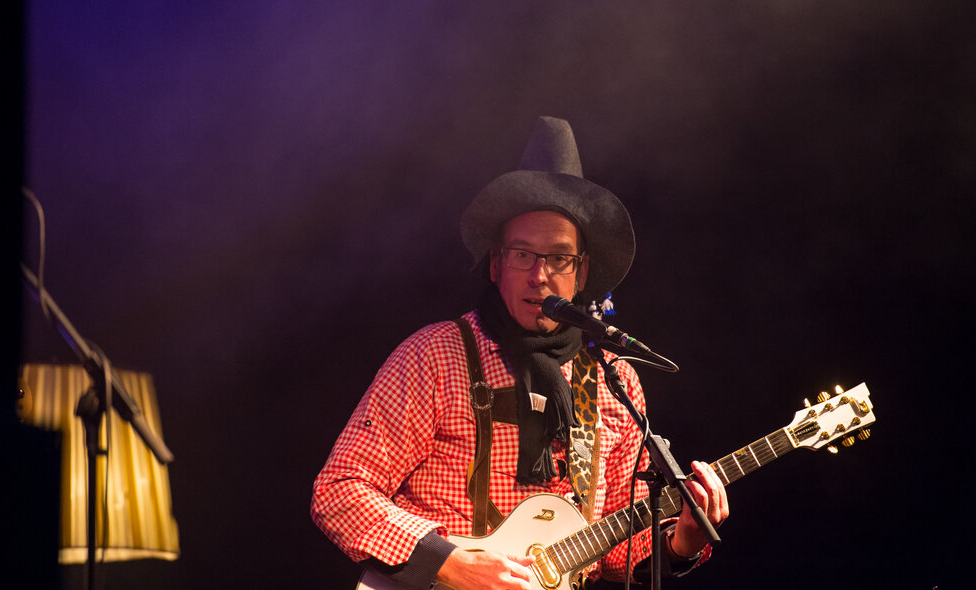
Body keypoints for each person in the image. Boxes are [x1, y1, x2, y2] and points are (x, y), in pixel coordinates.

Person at [311, 116, 728, 590]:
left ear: (581, 272)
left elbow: (610, 547)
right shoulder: (435, 356)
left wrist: (680, 543)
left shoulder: (614, 380)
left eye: (559, 258)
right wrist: (448, 563)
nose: (540, 276)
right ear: (496, 264)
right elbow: (339, 491)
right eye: (523, 255)